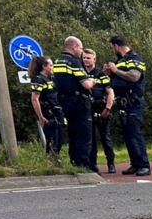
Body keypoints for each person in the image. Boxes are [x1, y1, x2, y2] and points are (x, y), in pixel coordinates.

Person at [104, 35, 150, 176]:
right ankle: (135, 164)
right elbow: (120, 81)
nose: (113, 51)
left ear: (116, 46)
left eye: (113, 48)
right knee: (128, 135)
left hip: (134, 102)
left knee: (135, 134)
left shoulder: (135, 59)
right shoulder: (121, 61)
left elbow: (134, 76)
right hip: (124, 103)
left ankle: (144, 165)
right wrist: (110, 74)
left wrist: (115, 70)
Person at [53, 36, 99, 173]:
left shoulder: (57, 62)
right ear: (74, 47)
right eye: (80, 48)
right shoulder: (73, 62)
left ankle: (73, 161)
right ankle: (83, 163)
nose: (81, 51)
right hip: (79, 103)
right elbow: (85, 83)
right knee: (84, 133)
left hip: (65, 103)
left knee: (72, 133)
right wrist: (93, 81)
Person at [82, 48, 116, 173]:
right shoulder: (81, 73)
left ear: (94, 59)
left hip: (101, 111)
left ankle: (111, 163)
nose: (86, 60)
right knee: (91, 140)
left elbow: (110, 93)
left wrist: (107, 108)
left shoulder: (101, 74)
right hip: (87, 111)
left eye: (88, 58)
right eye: (84, 57)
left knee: (106, 139)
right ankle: (93, 164)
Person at [28, 56, 63, 156]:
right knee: (52, 140)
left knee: (59, 140)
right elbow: (35, 99)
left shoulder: (49, 79)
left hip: (56, 112)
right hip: (48, 114)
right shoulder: (38, 80)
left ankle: (56, 160)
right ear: (44, 66)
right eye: (51, 65)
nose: (53, 67)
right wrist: (41, 117)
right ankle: (52, 162)